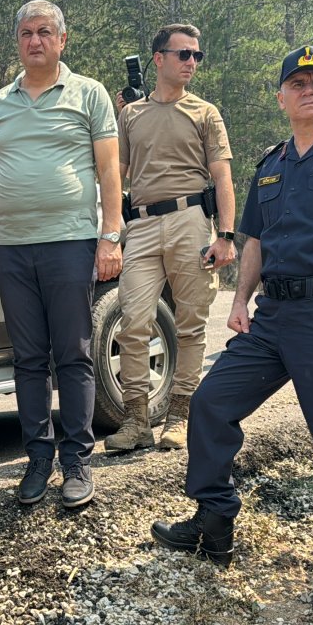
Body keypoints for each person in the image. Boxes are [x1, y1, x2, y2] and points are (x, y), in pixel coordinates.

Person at [151, 46, 313, 616]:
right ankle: (214, 521)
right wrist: (239, 300)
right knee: (212, 404)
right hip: (273, 319)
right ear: (282, 96)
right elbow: (256, 241)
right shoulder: (271, 164)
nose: (308, 89)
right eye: (297, 82)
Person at [0, 0, 123, 508]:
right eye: (26, 33)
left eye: (44, 32)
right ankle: (38, 458)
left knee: (74, 354)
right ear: (18, 42)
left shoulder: (89, 95)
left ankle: (77, 459)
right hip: (12, 248)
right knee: (29, 358)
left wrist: (110, 235)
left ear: (62, 40)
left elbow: (108, 170)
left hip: (70, 242)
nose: (35, 41)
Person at [106, 23, 236, 452]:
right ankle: (136, 421)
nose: (192, 63)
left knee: (190, 324)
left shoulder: (205, 112)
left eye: (197, 55)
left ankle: (179, 416)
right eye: (183, 54)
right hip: (140, 224)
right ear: (158, 59)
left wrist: (226, 235)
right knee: (133, 321)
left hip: (191, 220)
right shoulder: (131, 114)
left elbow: (222, 178)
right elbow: (115, 174)